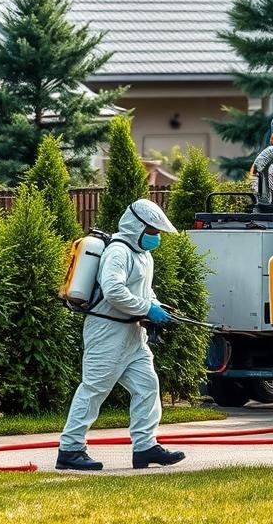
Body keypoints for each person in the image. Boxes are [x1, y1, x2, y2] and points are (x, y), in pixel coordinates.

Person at [56, 199, 187, 471]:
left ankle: (145, 447)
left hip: (132, 334)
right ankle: (70, 449)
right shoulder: (118, 251)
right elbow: (113, 290)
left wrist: (155, 306)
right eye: (152, 231)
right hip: (107, 331)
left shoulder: (143, 254)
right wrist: (146, 308)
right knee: (94, 389)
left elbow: (142, 290)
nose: (156, 237)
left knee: (147, 387)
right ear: (136, 226)